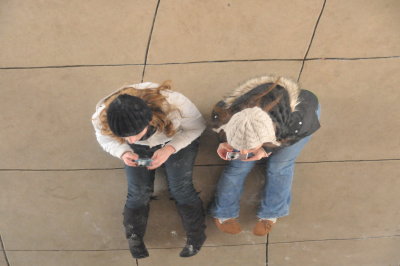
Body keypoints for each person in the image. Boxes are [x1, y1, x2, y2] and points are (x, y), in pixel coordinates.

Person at [91, 81, 206, 258]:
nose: (130, 140)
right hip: (140, 151)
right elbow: (105, 139)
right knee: (138, 193)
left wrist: (169, 149)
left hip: (173, 140)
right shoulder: (102, 117)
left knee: (181, 189)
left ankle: (196, 235)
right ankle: (134, 236)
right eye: (123, 136)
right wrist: (123, 152)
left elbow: (197, 127)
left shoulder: (176, 105)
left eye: (134, 133)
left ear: (150, 119)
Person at [209, 75, 321, 236]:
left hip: (300, 118)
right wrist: (223, 142)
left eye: (248, 148)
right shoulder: (223, 114)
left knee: (280, 166)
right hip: (263, 118)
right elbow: (221, 128)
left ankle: (271, 213)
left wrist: (265, 151)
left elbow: (289, 138)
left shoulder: (297, 123)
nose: (244, 153)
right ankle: (223, 213)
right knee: (238, 165)